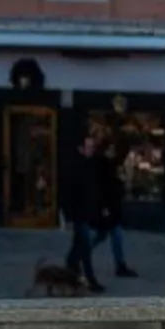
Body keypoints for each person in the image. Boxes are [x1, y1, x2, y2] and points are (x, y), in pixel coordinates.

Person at [58, 124, 106, 294]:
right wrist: (69, 217)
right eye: (89, 147)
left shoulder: (91, 165)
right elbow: (66, 194)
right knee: (85, 249)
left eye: (93, 147)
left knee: (79, 247)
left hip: (90, 213)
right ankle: (90, 281)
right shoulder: (73, 168)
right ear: (80, 148)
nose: (92, 149)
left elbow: (95, 190)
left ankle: (69, 268)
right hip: (80, 215)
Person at [91, 137, 140, 280]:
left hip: (112, 206)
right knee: (106, 235)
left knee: (109, 235)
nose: (112, 152)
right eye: (110, 149)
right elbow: (100, 188)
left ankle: (120, 265)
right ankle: (119, 266)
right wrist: (104, 206)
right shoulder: (101, 165)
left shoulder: (111, 164)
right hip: (106, 207)